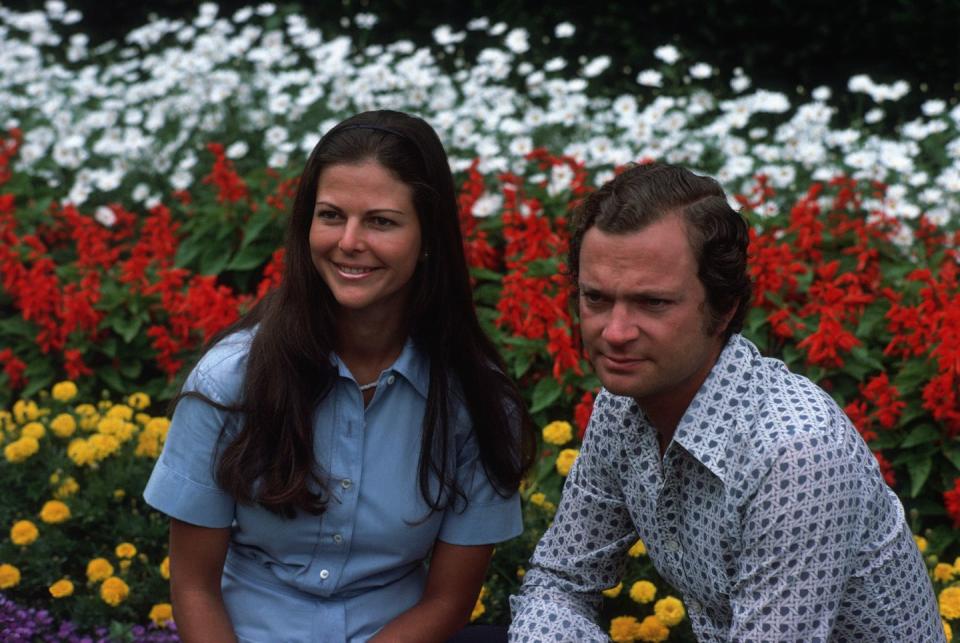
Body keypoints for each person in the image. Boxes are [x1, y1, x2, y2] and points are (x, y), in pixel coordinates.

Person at [144, 109, 536, 642]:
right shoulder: (229, 382)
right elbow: (194, 588)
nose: (349, 241)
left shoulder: (473, 400)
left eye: (381, 221)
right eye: (331, 216)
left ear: (428, 240)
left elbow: (448, 600)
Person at [509, 162, 944, 642]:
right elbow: (559, 583)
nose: (615, 333)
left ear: (723, 308)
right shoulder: (622, 406)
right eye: (596, 298)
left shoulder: (796, 455)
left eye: (652, 303)